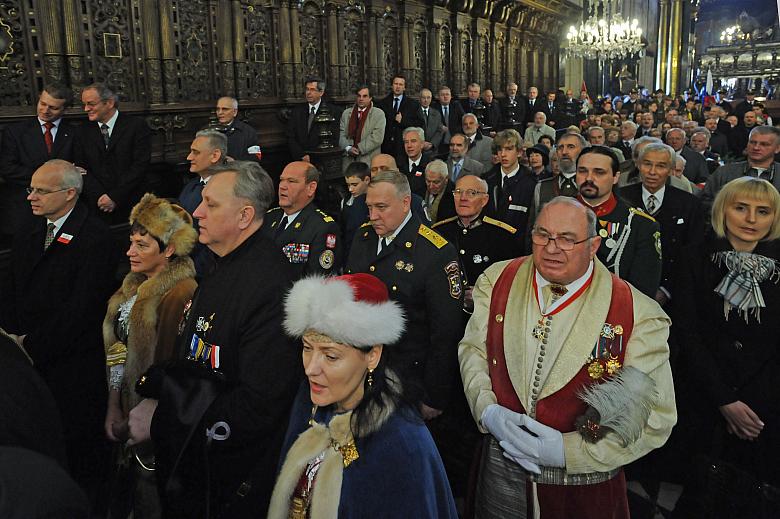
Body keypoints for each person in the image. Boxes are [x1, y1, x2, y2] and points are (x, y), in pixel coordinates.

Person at [459, 196, 676, 519]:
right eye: (543, 235)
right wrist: (487, 410)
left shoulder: (639, 313)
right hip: (501, 475)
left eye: (567, 239)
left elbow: (656, 416)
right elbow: (473, 350)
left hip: (583, 488)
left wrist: (567, 452)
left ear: (594, 246)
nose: (551, 248)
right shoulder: (497, 279)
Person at [126, 161, 302, 518]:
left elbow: (258, 405)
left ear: (244, 216)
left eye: (211, 204)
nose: (197, 213)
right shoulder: (220, 263)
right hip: (198, 466)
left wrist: (165, 418)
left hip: (228, 481)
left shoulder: (270, 285)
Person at [268, 274, 458, 519]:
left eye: (331, 356)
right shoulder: (308, 401)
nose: (310, 368)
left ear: (373, 356)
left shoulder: (403, 443)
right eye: (306, 348)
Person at [0, 159, 118, 505]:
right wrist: (13, 338)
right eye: (30, 189)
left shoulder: (96, 237)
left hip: (70, 365)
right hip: (28, 357)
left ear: (69, 193)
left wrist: (32, 345)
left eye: (41, 190)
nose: (31, 197)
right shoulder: (29, 229)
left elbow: (82, 308)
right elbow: (12, 287)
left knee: (75, 448)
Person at [673, 177, 780, 518]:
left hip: (764, 404)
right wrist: (725, 400)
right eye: (741, 208)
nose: (751, 219)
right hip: (705, 397)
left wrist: (750, 402)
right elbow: (687, 333)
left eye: (762, 211)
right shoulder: (693, 257)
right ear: (723, 210)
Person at [102, 194, 198, 517]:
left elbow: (175, 369)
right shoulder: (130, 287)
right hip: (125, 416)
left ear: (169, 250)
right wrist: (113, 404)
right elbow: (117, 351)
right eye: (131, 243)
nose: (130, 252)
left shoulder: (182, 292)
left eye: (142, 245)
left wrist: (148, 416)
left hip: (156, 427)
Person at [345, 170, 462, 419]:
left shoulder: (435, 252)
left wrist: (434, 395)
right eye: (369, 207)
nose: (373, 216)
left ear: (406, 202)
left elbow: (445, 332)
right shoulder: (363, 237)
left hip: (407, 378)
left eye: (381, 207)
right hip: (362, 371)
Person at [619, 143, 704, 308]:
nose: (652, 172)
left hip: (674, 294)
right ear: (638, 165)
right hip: (626, 290)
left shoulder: (689, 204)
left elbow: (693, 251)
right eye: (647, 164)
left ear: (671, 169)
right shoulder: (621, 199)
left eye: (661, 166)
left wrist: (666, 289)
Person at [576, 146, 662, 298]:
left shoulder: (640, 224)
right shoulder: (554, 214)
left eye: (599, 172)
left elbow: (643, 291)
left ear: (615, 177)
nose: (589, 178)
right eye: (582, 171)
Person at [0, 84, 77, 244]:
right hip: (24, 208)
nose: (45, 110)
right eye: (42, 103)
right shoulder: (15, 132)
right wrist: (48, 178)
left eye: (53, 108)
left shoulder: (74, 133)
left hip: (62, 209)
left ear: (65, 109)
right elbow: (7, 168)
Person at [75, 83, 151, 222]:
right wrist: (100, 196)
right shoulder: (82, 131)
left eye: (91, 104)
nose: (86, 109)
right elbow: (81, 169)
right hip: (97, 206)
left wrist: (115, 197)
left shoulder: (136, 126)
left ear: (109, 103)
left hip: (131, 204)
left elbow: (140, 166)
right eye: (84, 104)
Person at [266, 161, 342, 279]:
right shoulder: (268, 217)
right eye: (282, 180)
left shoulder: (323, 227)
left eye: (291, 181)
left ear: (311, 188)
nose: (282, 186)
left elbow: (318, 280)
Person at [178, 129, 228, 278]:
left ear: (215, 156)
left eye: (196, 152)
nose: (189, 157)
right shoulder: (191, 186)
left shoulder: (228, 189)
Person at [702, 126, 780, 216]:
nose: (756, 147)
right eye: (752, 142)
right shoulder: (725, 172)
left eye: (764, 144)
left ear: (777, 148)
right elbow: (705, 202)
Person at [482, 129, 536, 249]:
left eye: (509, 149)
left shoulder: (531, 183)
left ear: (519, 152)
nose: (503, 154)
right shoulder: (486, 179)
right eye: (500, 149)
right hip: (489, 246)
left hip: (518, 248)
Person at [287, 78, 340, 162]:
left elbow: (334, 137)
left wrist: (316, 155)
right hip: (300, 158)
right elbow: (290, 136)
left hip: (322, 158)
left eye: (312, 90)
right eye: (307, 89)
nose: (308, 93)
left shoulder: (333, 111)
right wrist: (301, 155)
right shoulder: (297, 111)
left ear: (321, 92)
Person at [339, 85, 386, 172]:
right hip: (349, 160)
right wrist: (348, 148)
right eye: (359, 96)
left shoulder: (378, 114)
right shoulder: (346, 113)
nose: (361, 99)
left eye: (364, 96)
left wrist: (359, 148)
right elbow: (341, 134)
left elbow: (377, 137)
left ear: (370, 98)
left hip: (368, 159)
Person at [378, 75, 422, 156]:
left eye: (401, 84)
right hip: (386, 147)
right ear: (392, 86)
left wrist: (402, 121)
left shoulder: (413, 104)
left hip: (403, 147)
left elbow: (419, 123)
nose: (398, 87)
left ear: (404, 87)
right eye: (396, 84)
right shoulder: (382, 103)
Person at [214, 96, 259, 162]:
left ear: (235, 112)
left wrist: (235, 161)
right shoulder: (207, 130)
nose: (220, 112)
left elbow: (256, 156)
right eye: (218, 109)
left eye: (225, 109)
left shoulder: (248, 131)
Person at [340, 161, 371, 258]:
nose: (350, 189)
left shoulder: (375, 201)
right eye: (348, 185)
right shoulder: (345, 201)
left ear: (366, 180)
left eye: (354, 184)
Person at [397, 126, 431, 196]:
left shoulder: (430, 165)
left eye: (413, 141)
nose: (409, 146)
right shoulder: (398, 164)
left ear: (422, 144)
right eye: (406, 142)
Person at [423, 159, 456, 223]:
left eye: (436, 182)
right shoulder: (420, 188)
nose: (431, 186)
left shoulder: (454, 197)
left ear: (446, 179)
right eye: (428, 181)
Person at [435, 86, 466, 153]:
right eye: (442, 95)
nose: (445, 97)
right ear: (438, 97)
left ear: (451, 96)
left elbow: (464, 120)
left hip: (455, 140)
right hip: (439, 142)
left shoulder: (456, 105)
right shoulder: (434, 108)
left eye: (447, 94)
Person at [418, 88, 444, 153]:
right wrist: (421, 143)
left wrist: (432, 144)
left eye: (428, 97)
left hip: (432, 150)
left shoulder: (436, 114)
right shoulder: (414, 112)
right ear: (419, 98)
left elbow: (439, 131)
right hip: (418, 149)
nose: (426, 100)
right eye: (423, 98)